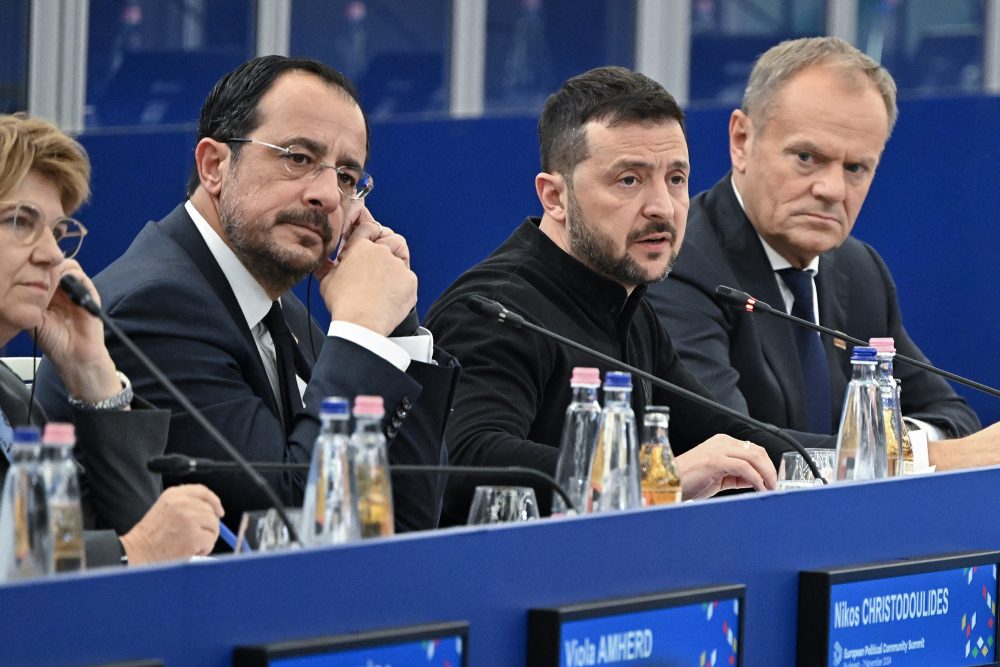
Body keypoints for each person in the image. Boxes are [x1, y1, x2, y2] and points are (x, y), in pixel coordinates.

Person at [36, 56, 459, 533]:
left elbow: (410, 515)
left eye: (346, 176)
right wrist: (361, 332)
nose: (327, 195)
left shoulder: (279, 308)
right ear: (214, 165)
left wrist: (395, 328)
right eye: (298, 158)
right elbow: (288, 519)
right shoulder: (156, 308)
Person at [425, 66, 779, 525]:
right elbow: (467, 456)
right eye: (629, 180)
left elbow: (727, 434)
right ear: (555, 197)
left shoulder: (627, 304)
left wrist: (862, 451)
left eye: (676, 179)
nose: (662, 207)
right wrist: (656, 478)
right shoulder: (494, 310)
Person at [645, 37, 987, 465]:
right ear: (742, 140)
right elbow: (732, 447)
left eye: (856, 168)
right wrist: (914, 455)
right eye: (807, 157)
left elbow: (952, 415)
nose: (831, 190)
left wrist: (901, 442)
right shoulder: (679, 264)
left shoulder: (858, 269)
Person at [0, 113, 222, 566]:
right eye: (21, 222)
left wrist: (93, 374)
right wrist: (135, 551)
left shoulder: (8, 396)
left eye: (58, 232)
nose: (49, 254)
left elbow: (122, 549)